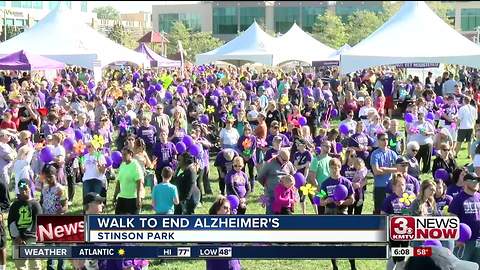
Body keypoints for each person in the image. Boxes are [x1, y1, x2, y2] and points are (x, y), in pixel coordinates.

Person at [319, 158, 355, 270]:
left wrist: (344, 201)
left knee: (348, 242)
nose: (335, 170)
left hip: (343, 213)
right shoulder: (325, 183)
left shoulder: (346, 182)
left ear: (340, 168)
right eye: (332, 168)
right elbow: (320, 201)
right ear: (329, 168)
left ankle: (353, 266)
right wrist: (326, 201)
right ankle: (335, 266)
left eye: (337, 167)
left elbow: (352, 199)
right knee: (332, 243)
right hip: (329, 214)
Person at [8, 179, 42, 270]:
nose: (23, 191)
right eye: (21, 189)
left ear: (30, 188)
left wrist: (27, 237)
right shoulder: (14, 206)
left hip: (32, 238)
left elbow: (38, 222)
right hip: (17, 239)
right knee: (20, 266)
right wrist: (17, 237)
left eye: (25, 189)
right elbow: (11, 222)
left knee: (35, 265)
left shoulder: (35, 205)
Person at [448, 173, 480, 265]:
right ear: (465, 182)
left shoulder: (479, 197)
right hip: (464, 241)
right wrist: (457, 238)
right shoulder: (458, 198)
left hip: (478, 240)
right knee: (462, 266)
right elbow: (452, 219)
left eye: (478, 181)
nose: (476, 183)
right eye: (474, 180)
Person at [206, 196, 242, 270]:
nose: (228, 211)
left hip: (233, 265)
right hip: (216, 265)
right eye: (225, 208)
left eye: (229, 209)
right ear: (217, 209)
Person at [257, 149, 296, 215]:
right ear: (278, 156)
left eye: (287, 160)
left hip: (285, 197)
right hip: (271, 195)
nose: (286, 162)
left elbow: (292, 176)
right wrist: (268, 186)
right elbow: (260, 177)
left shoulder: (289, 164)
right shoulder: (269, 163)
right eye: (284, 160)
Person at [371, 132, 398, 214]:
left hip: (391, 186)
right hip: (380, 187)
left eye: (387, 139)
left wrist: (385, 169)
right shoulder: (375, 154)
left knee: (392, 210)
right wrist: (391, 170)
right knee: (379, 211)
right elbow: (376, 171)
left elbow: (398, 169)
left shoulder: (393, 153)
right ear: (378, 141)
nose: (385, 141)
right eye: (383, 139)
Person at [113, 147, 143, 215]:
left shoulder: (135, 165)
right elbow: (119, 181)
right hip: (122, 197)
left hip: (133, 198)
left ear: (130, 154)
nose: (122, 156)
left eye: (124, 154)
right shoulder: (122, 165)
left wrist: (138, 198)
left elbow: (139, 181)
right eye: (122, 154)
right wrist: (115, 196)